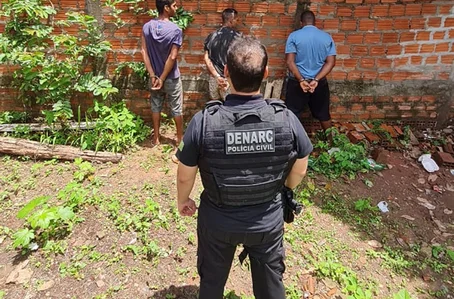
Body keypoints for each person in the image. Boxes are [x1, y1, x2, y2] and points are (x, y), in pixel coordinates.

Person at [176, 36, 313, 299]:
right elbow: (301, 166)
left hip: (217, 222)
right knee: (271, 287)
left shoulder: (204, 122)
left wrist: (184, 200)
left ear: (226, 71)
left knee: (212, 283)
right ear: (266, 73)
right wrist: (286, 188)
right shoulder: (286, 119)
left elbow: (185, 173)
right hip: (266, 221)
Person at [285, 10, 336, 132]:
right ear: (315, 22)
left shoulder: (294, 36)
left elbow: (290, 62)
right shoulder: (326, 37)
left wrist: (301, 80)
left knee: (292, 114)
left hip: (297, 82)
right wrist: (316, 79)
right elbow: (331, 62)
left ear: (301, 22)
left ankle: (292, 145)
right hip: (318, 83)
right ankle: (331, 144)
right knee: (324, 114)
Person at [141, 0, 184, 148]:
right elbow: (172, 57)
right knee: (176, 108)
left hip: (154, 77)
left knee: (155, 106)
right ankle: (179, 139)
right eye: (174, 5)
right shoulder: (176, 30)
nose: (176, 8)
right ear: (166, 8)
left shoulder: (146, 27)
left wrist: (153, 75)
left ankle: (156, 139)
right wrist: (163, 78)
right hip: (171, 77)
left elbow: (144, 51)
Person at [203, 8, 241, 101]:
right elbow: (238, 60)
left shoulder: (211, 36)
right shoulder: (238, 37)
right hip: (228, 80)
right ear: (231, 20)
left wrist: (217, 76)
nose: (238, 22)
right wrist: (227, 79)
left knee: (214, 107)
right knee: (229, 108)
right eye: (237, 20)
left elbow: (206, 58)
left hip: (214, 79)